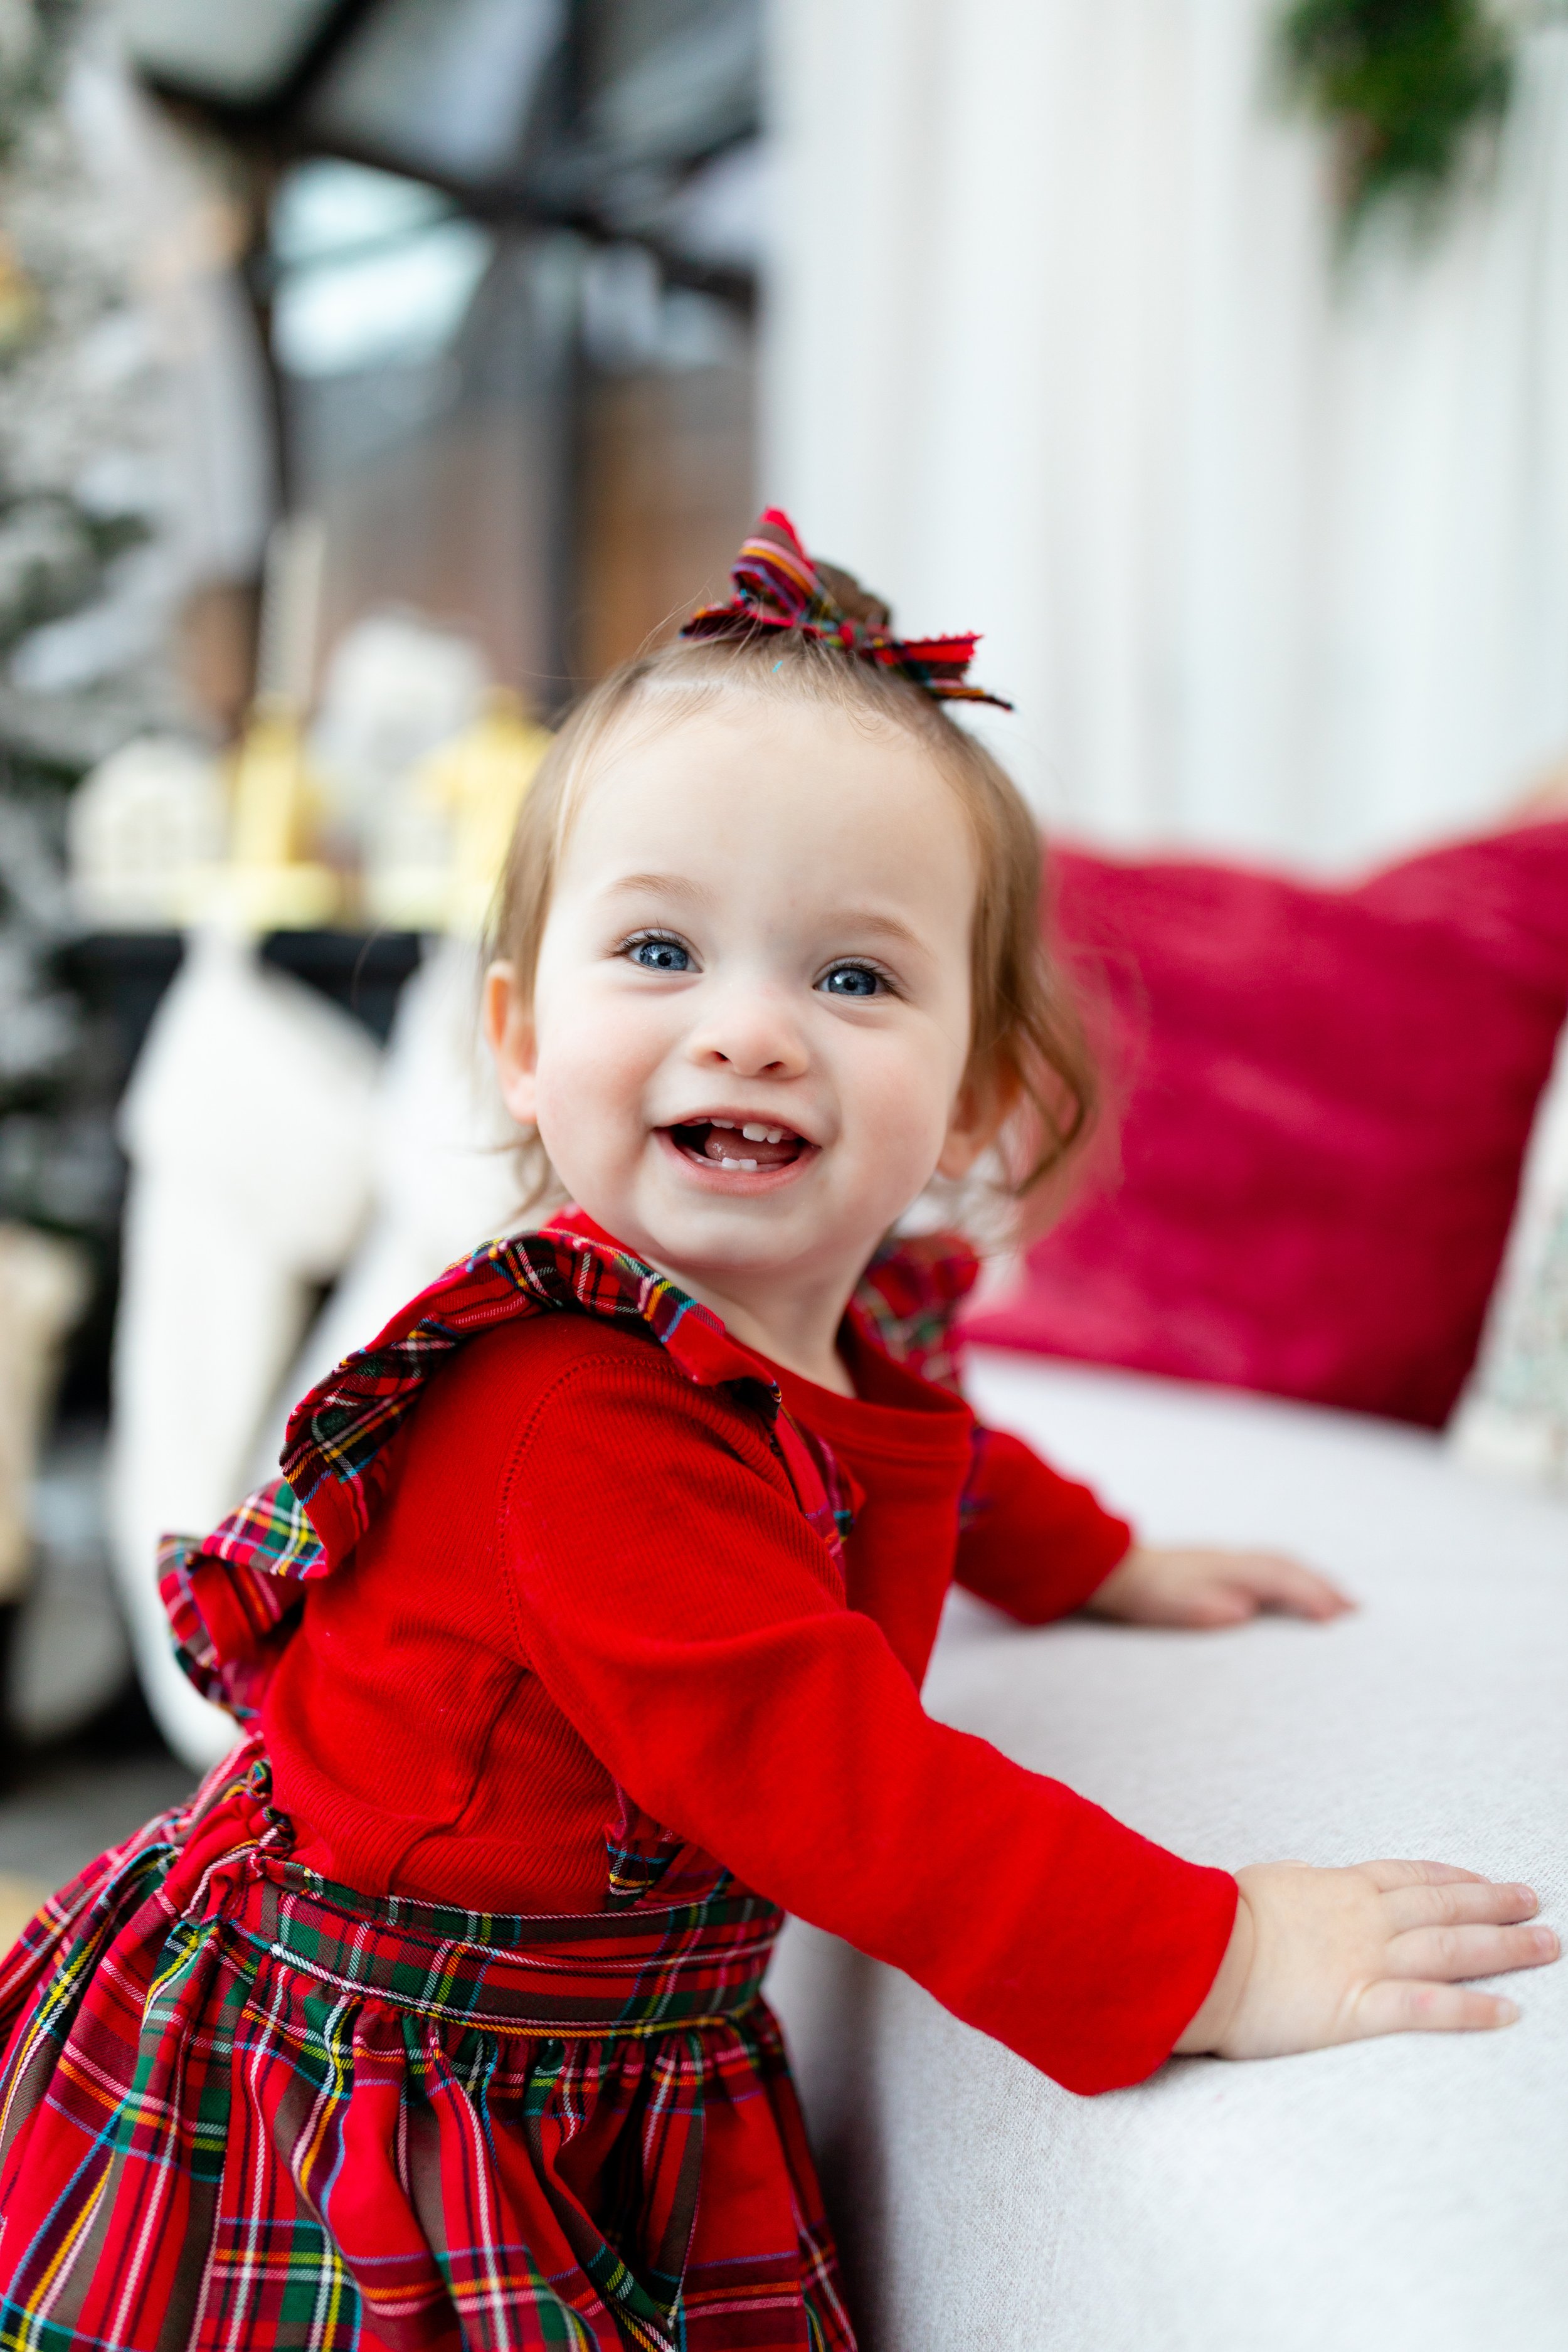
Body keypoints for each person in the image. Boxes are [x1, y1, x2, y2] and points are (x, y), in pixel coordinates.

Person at [0, 512, 1554, 2352]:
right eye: (659, 950)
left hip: (607, 2030)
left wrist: (1102, 1564)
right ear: (517, 1034)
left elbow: (941, 1452)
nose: (748, 1032)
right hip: (393, 2082)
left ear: (972, 1089)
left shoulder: (842, 1313)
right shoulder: (565, 1411)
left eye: (849, 978)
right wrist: (1216, 1954)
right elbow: (848, 1791)